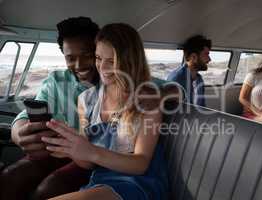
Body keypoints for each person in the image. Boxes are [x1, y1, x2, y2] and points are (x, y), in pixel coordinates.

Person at [41, 23, 168, 200]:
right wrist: (72, 149)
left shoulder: (147, 101)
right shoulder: (86, 100)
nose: (102, 68)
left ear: (130, 61)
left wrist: (91, 151)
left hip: (138, 185)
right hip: (99, 181)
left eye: (112, 61)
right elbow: (89, 164)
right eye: (99, 58)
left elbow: (141, 163)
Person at [0, 17, 100, 200]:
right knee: (10, 176)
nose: (79, 65)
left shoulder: (115, 82)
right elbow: (27, 114)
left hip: (94, 158)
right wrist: (19, 133)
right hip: (55, 152)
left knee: (48, 189)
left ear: (98, 52)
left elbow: (157, 87)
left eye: (87, 55)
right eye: (70, 58)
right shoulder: (57, 81)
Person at [167, 35, 211, 107]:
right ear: (193, 57)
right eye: (206, 54)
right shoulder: (177, 79)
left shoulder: (199, 79)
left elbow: (202, 107)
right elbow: (172, 113)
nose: (209, 59)